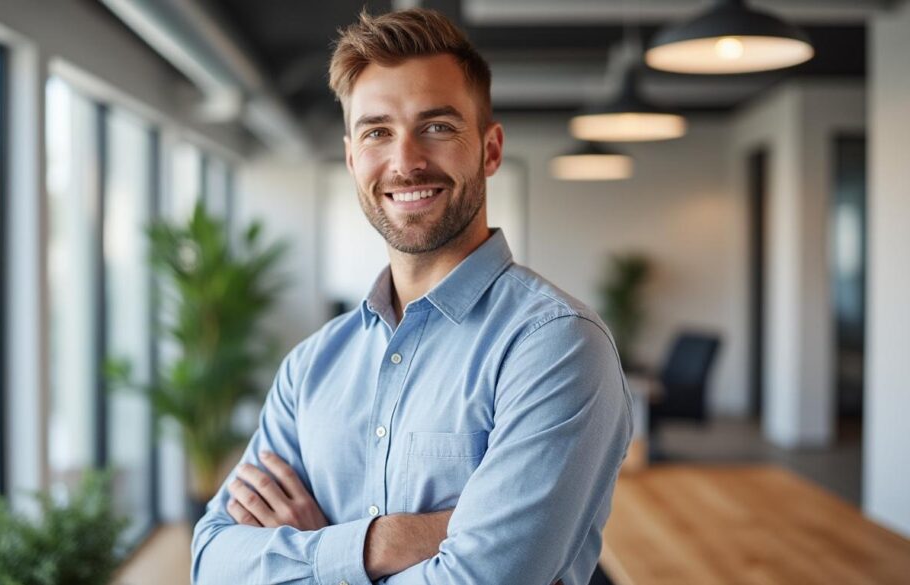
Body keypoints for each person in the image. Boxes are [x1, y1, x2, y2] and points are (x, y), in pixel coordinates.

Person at [191, 8, 632, 585]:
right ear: (353, 159)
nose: (406, 162)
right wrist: (390, 541)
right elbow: (212, 562)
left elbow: (486, 578)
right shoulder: (311, 367)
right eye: (377, 132)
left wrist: (320, 547)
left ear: (491, 150)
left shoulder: (554, 345)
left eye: (438, 126)